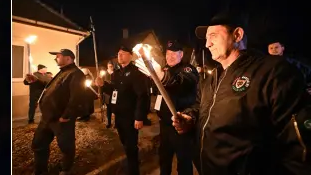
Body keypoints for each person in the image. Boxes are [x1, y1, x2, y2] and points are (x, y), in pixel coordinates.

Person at [172, 11, 311, 174]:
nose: (207, 44)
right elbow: (200, 107)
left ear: (237, 35)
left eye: (214, 36)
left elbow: (300, 148)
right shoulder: (211, 78)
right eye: (206, 38)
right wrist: (190, 117)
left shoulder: (272, 72)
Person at [134, 40, 198, 175]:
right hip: (164, 126)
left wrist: (163, 77)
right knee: (164, 158)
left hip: (181, 125)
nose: (170, 56)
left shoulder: (187, 69)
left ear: (181, 55)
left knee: (184, 161)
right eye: (168, 53)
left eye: (174, 53)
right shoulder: (164, 69)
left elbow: (182, 82)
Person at [95, 45, 150, 175]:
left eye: (123, 53)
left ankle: (133, 170)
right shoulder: (116, 74)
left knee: (131, 146)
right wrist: (103, 85)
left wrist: (139, 117)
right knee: (125, 143)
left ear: (131, 55)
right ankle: (132, 163)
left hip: (130, 116)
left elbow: (142, 96)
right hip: (119, 115)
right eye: (118, 53)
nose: (120, 55)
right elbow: (115, 91)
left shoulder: (137, 73)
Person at [31, 49, 87, 175]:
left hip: (61, 119)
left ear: (68, 58)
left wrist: (66, 115)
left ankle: (65, 169)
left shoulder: (75, 74)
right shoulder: (62, 72)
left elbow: (77, 96)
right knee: (38, 143)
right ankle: (40, 170)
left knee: (66, 146)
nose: (55, 58)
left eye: (58, 56)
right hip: (47, 118)